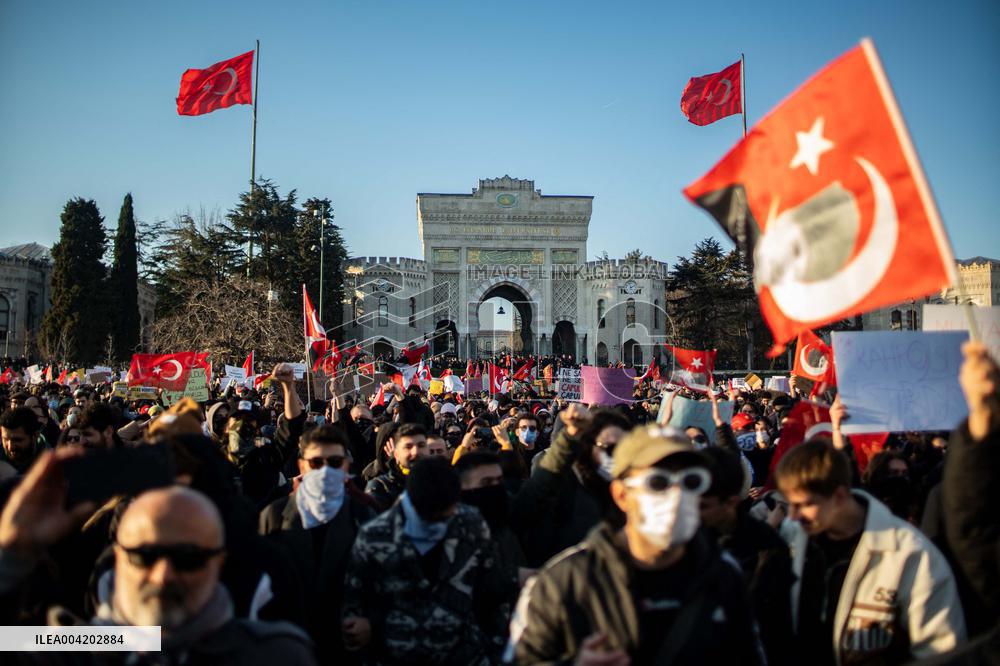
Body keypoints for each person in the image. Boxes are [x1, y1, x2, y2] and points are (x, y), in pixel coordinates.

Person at [0, 453, 317, 665]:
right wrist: (12, 554)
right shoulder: (68, 646)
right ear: (117, 557)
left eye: (188, 558)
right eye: (145, 556)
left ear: (218, 563)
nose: (163, 575)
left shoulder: (272, 653)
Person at [508, 425, 766, 664]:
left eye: (691, 482)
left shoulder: (723, 574)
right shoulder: (562, 582)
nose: (677, 496)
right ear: (622, 495)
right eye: (658, 483)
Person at [775, 439, 966, 665]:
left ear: (839, 497)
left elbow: (941, 651)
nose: (794, 516)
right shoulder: (792, 535)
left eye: (804, 505)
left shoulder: (910, 553)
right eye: (791, 505)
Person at [343, 456, 509, 664]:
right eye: (431, 516)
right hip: (396, 653)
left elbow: (492, 591)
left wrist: (496, 650)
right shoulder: (376, 535)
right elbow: (355, 600)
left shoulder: (470, 523)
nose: (439, 523)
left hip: (464, 653)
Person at [260, 424, 376, 662]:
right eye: (316, 463)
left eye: (334, 462)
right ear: (302, 465)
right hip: (289, 643)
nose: (325, 470)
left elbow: (384, 580)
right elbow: (258, 580)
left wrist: (371, 621)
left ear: (345, 465)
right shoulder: (274, 514)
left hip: (345, 646)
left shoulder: (363, 515)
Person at [699, 445, 794, 665]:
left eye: (704, 505)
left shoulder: (767, 546)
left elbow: (776, 625)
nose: (694, 510)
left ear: (731, 502)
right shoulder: (684, 543)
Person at [365, 422, 427, 511]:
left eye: (421, 445)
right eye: (408, 447)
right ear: (396, 453)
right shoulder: (379, 485)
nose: (415, 452)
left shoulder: (440, 481)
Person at [0, 406, 45, 478]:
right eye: (5, 439)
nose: (10, 447)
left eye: (17, 440)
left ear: (35, 436)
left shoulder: (49, 464)